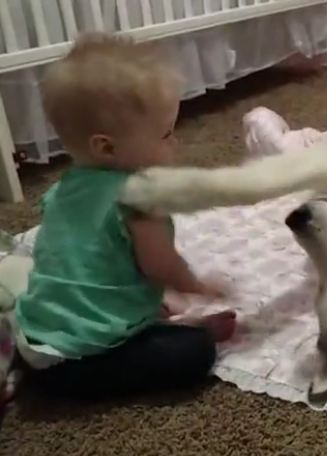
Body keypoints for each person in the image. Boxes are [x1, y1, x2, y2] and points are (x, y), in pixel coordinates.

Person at [11, 33, 236, 399]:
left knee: (153, 308)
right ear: (107, 146)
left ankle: (135, 326)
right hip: (81, 360)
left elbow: (84, 264)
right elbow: (160, 267)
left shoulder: (61, 190)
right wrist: (199, 285)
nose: (175, 143)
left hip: (36, 336)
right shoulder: (141, 197)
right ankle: (168, 336)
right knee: (195, 353)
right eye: (166, 134)